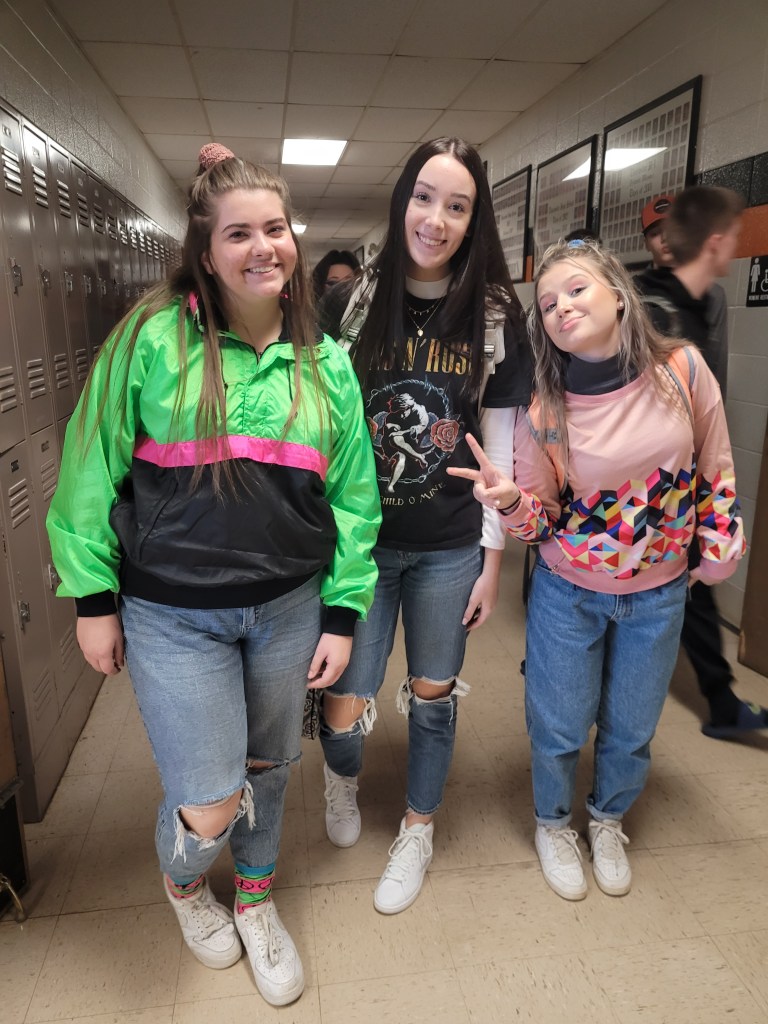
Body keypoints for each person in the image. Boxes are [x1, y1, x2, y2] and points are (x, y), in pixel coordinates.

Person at [46, 143, 380, 1006]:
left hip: (288, 608)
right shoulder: (150, 341)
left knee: (269, 768)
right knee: (209, 799)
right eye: (240, 233)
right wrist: (92, 597)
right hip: (173, 614)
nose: (263, 247)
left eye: (276, 228)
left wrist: (342, 613)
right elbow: (89, 468)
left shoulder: (325, 361)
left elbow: (354, 499)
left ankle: (257, 900)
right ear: (205, 247)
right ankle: (187, 884)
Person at [450, 239, 745, 901]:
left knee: (632, 726)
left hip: (659, 591)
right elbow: (542, 523)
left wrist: (718, 548)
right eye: (548, 303)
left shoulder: (683, 370)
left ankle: (607, 820)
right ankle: (554, 824)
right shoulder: (543, 406)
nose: (561, 307)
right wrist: (510, 503)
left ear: (618, 294)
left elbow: (716, 464)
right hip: (568, 591)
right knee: (558, 722)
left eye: (577, 289)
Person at [317, 137, 532, 914]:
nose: (436, 219)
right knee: (346, 691)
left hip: (448, 547)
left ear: (475, 221)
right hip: (363, 546)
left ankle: (418, 827)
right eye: (424, 197)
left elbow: (496, 452)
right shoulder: (350, 305)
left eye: (457, 206)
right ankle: (340, 779)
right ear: (402, 198)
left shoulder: (496, 316)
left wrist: (492, 561)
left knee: (435, 693)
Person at [635, 187, 768, 739]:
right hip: (638, 497)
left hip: (679, 489)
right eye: (733, 237)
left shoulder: (701, 304)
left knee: (693, 586)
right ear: (715, 243)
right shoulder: (647, 306)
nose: (735, 247)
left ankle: (722, 702)